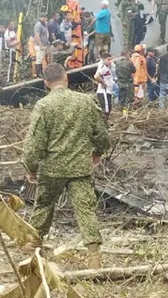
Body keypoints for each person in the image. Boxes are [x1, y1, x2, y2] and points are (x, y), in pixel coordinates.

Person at [24, 63, 111, 269]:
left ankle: (33, 244)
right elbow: (102, 134)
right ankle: (94, 257)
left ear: (46, 83)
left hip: (52, 169)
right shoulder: (85, 102)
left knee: (44, 205)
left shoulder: (44, 106)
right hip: (80, 168)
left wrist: (31, 167)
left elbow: (34, 143)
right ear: (66, 79)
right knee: (85, 210)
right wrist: (97, 153)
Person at [93, 53, 116, 120]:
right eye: (108, 60)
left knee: (109, 108)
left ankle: (106, 122)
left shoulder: (111, 66)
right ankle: (104, 123)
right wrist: (103, 82)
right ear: (104, 60)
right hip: (103, 91)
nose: (110, 61)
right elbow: (96, 76)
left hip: (109, 91)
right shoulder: (103, 66)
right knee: (105, 109)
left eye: (111, 59)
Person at [114, 51, 135, 116]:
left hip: (120, 83)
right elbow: (134, 70)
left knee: (121, 98)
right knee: (128, 98)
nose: (129, 55)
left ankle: (120, 111)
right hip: (128, 83)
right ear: (126, 54)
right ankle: (125, 112)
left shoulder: (117, 62)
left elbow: (116, 72)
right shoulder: (129, 62)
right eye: (129, 54)